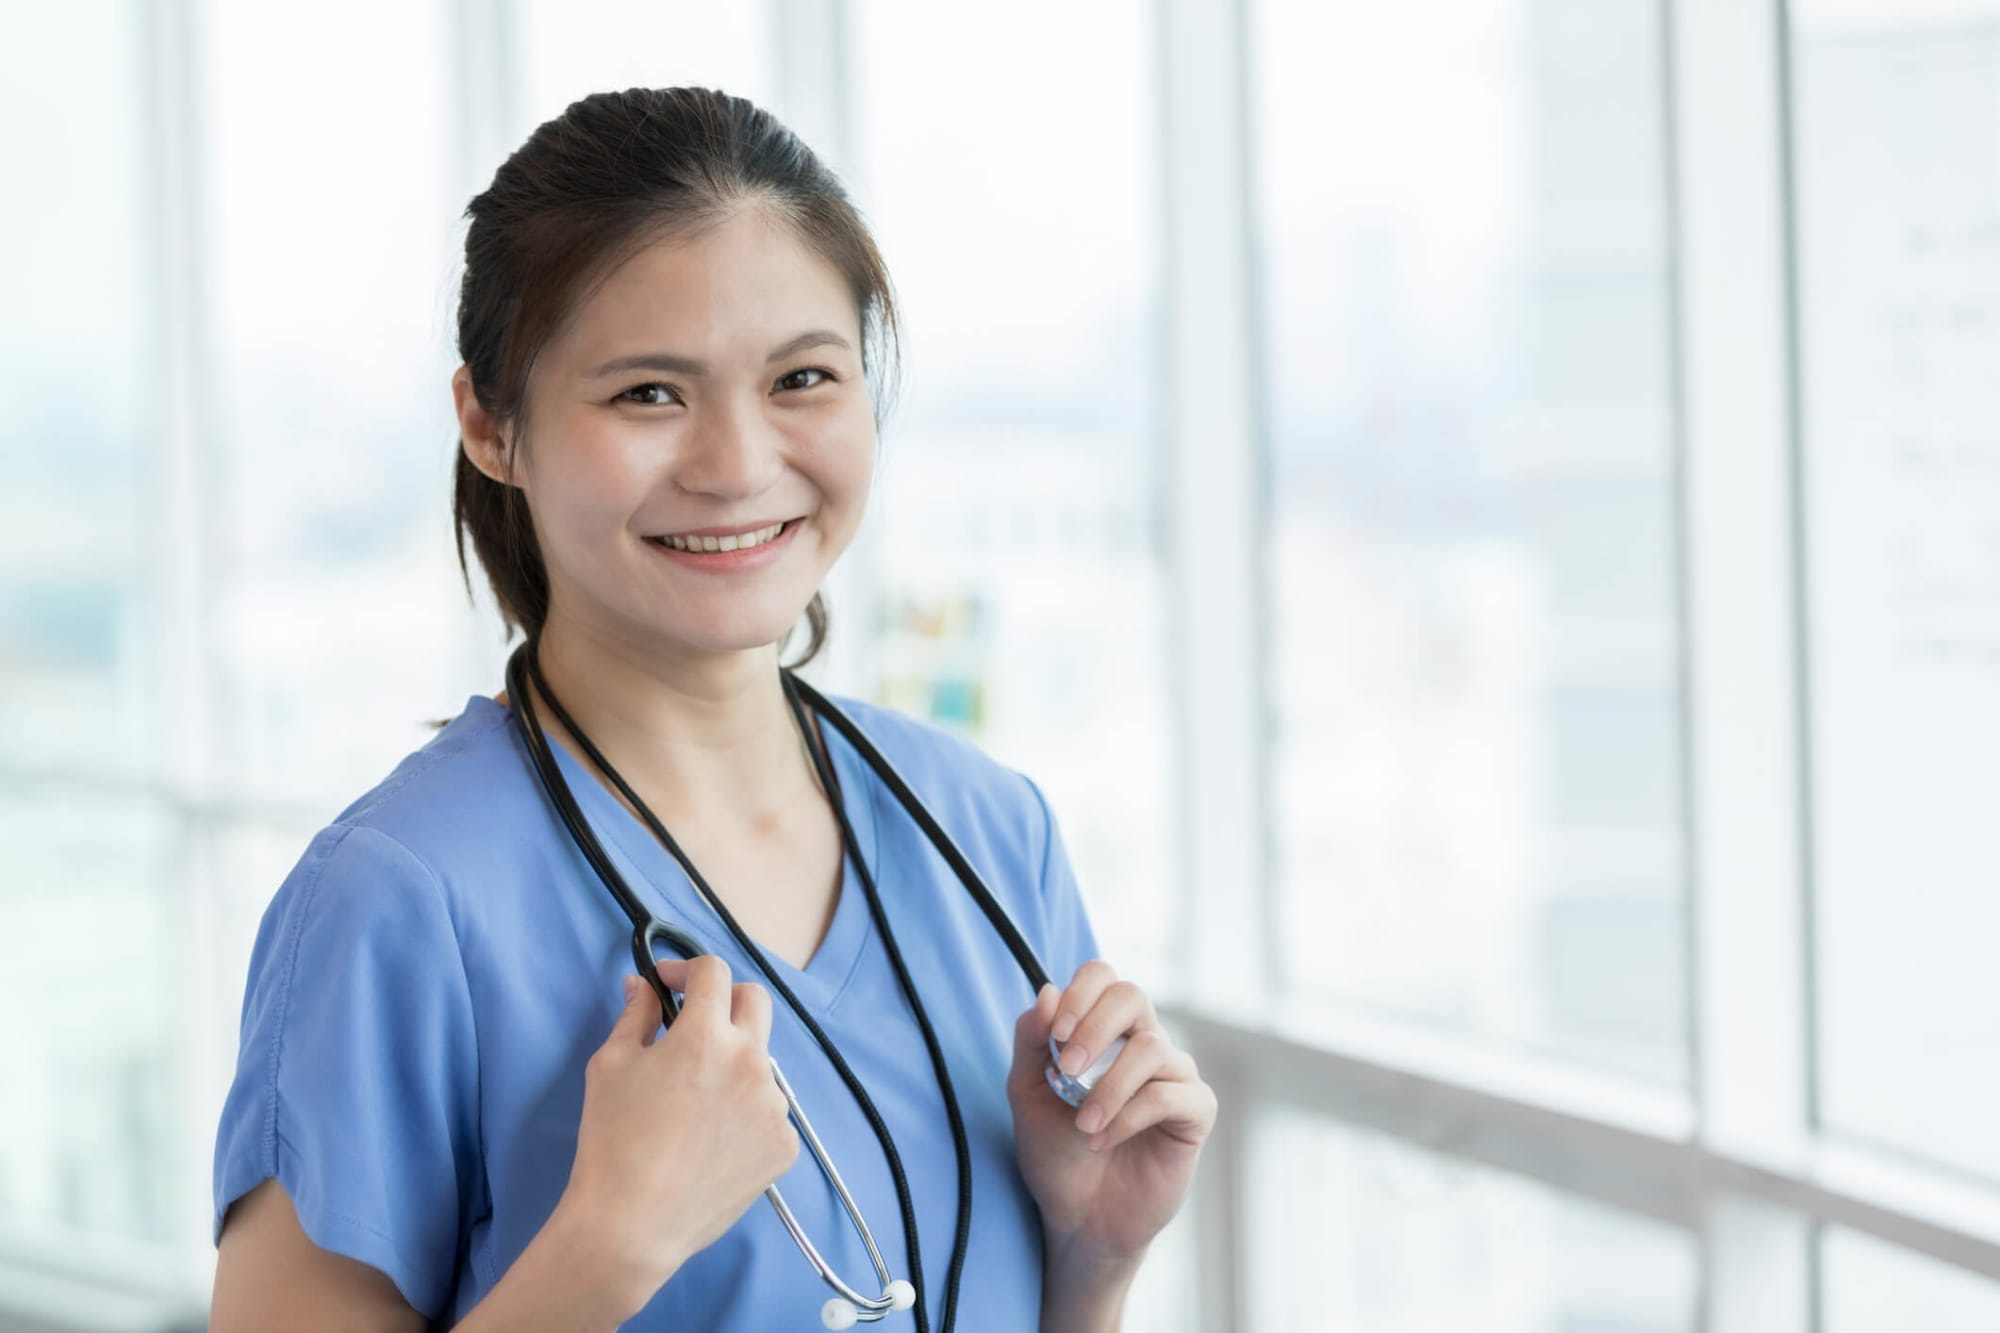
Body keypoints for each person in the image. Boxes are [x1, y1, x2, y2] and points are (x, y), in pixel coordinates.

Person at [206, 86, 1215, 1331]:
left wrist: (1092, 1255)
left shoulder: (987, 832)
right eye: (647, 394)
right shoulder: (396, 901)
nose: (737, 464)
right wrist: (610, 1240)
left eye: (801, 376)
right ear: (489, 424)